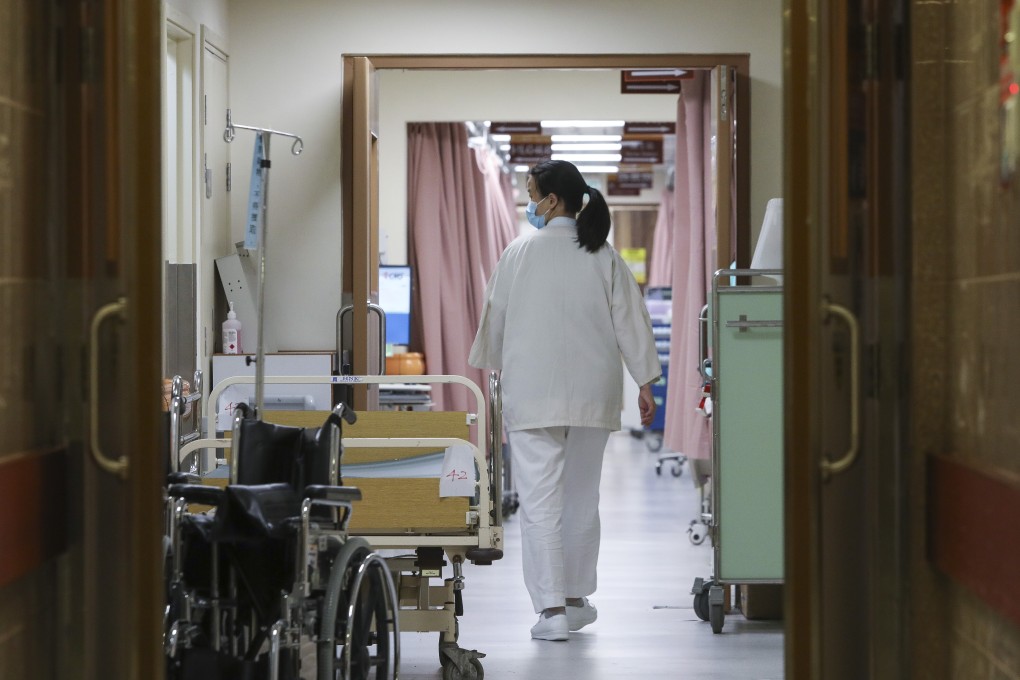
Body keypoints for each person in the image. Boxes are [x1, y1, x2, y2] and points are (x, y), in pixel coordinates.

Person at [468, 160, 661, 641]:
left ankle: (552, 611)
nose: (529, 204)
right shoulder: (603, 256)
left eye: (532, 194)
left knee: (540, 502)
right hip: (593, 395)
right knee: (581, 499)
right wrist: (645, 381)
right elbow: (631, 321)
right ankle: (576, 600)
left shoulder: (518, 253)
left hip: (533, 393)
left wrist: (494, 365)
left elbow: (495, 322)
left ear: (552, 201)